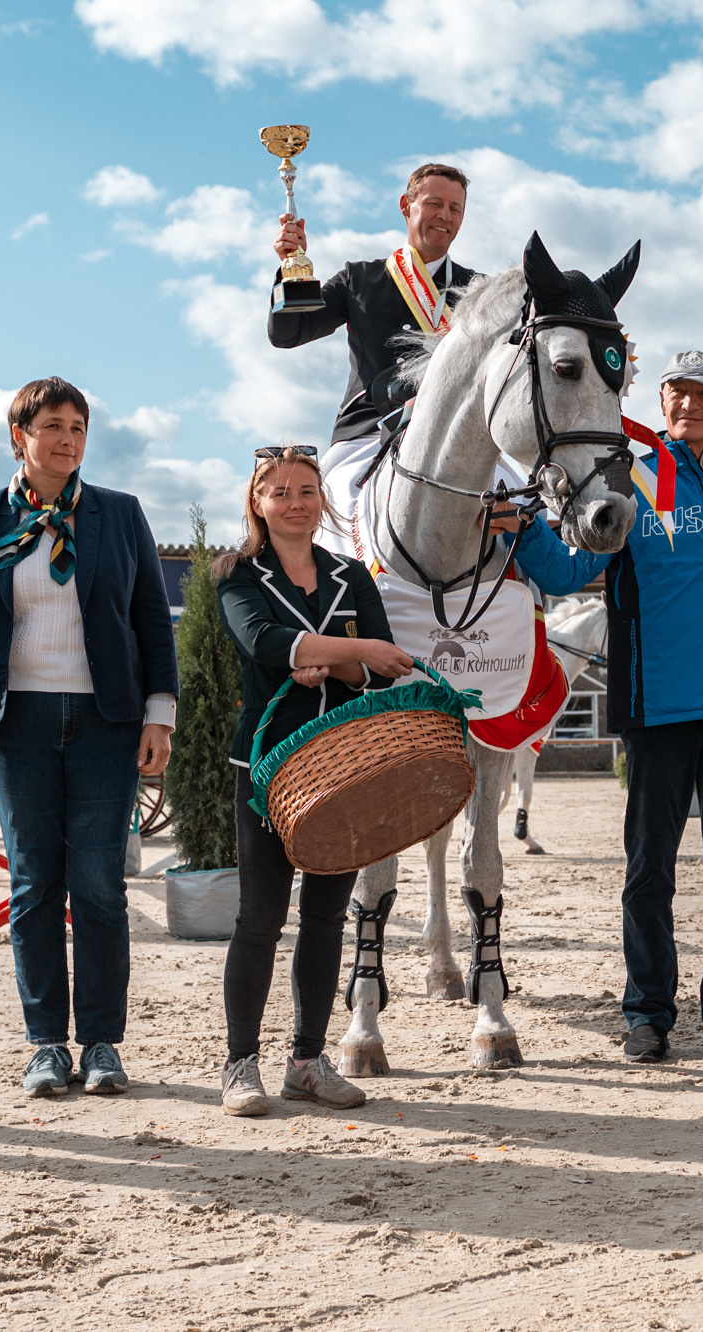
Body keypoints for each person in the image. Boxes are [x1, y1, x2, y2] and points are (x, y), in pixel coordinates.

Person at [515, 350, 703, 1064]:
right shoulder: (633, 479)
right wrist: (521, 529)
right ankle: (648, 1015)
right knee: (649, 870)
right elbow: (573, 569)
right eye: (676, 393)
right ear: (660, 402)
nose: (689, 405)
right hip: (659, 704)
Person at [0, 378, 179, 1098]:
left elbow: (151, 621)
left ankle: (102, 1041)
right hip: (15, 727)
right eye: (52, 426)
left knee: (100, 885)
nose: (67, 438)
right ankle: (46, 1043)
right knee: (34, 883)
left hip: (106, 723)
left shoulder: (120, 514)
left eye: (77, 426)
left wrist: (158, 713)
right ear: (20, 436)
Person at [214, 445, 417, 1116]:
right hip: (268, 768)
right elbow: (266, 643)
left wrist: (338, 666)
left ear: (321, 500)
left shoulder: (351, 574)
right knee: (260, 918)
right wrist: (351, 652)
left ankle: (306, 1060)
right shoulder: (235, 573)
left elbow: (384, 669)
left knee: (327, 916)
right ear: (258, 503)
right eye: (280, 491)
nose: (295, 501)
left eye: (307, 489)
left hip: (343, 764)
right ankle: (240, 1064)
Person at [268, 163, 477, 543]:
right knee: (339, 512)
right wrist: (289, 270)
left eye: (455, 208)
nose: (445, 216)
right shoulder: (359, 279)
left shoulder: (478, 291)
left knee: (519, 509)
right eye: (434, 204)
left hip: (456, 437)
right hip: (369, 435)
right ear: (406, 205)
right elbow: (288, 333)